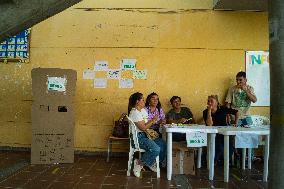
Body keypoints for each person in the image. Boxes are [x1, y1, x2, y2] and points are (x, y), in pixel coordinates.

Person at [128, 92, 166, 178]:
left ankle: (150, 162)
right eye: (143, 100)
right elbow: (143, 128)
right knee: (156, 149)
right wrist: (153, 120)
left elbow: (145, 126)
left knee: (163, 144)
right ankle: (139, 163)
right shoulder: (135, 113)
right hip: (138, 138)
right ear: (137, 101)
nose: (144, 101)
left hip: (145, 135)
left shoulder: (141, 111)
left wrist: (155, 121)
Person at [203, 95, 240, 164]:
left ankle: (226, 161)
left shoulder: (223, 109)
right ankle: (215, 161)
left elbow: (236, 112)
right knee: (217, 144)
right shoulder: (205, 112)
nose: (210, 103)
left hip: (224, 131)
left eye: (212, 101)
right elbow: (210, 124)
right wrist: (209, 111)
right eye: (208, 101)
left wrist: (236, 122)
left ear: (217, 102)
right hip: (213, 132)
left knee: (230, 144)